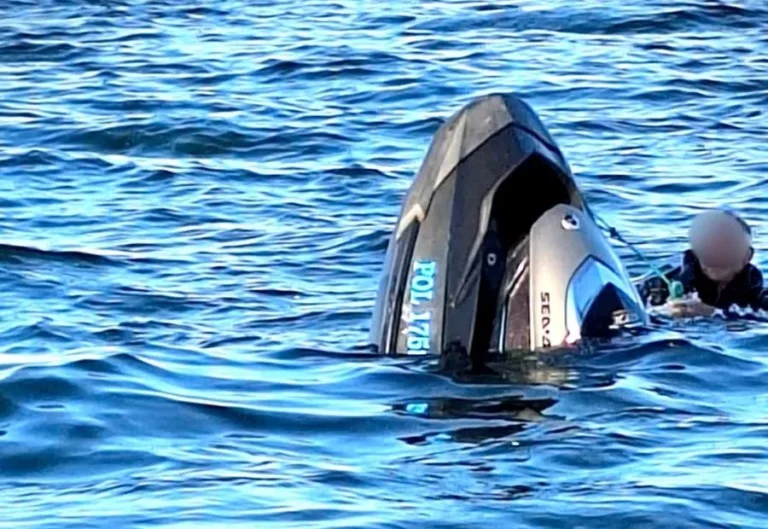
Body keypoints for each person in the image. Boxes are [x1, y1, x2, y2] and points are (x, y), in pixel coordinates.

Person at [639, 209, 768, 317]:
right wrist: (661, 313)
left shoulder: (760, 298)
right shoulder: (655, 287)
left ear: (747, 256)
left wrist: (712, 313)